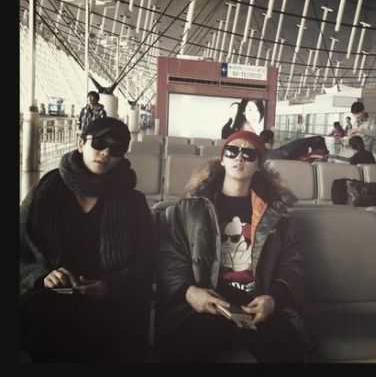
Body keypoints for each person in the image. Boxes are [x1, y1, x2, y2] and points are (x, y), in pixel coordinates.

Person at [155, 130, 312, 362]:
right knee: (182, 350)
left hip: (257, 305)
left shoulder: (277, 213)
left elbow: (291, 264)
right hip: (208, 303)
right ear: (222, 159)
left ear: (258, 165)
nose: (239, 157)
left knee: (288, 351)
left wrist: (273, 299)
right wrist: (190, 292)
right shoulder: (190, 209)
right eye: (232, 151)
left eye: (249, 154)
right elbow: (170, 257)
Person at [20, 117, 154, 362]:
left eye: (116, 149)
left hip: (109, 301)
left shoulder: (133, 201)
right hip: (52, 297)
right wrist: (41, 276)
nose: (106, 152)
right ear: (80, 143)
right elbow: (19, 248)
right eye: (99, 143)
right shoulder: (47, 189)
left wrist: (109, 286)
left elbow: (146, 262)